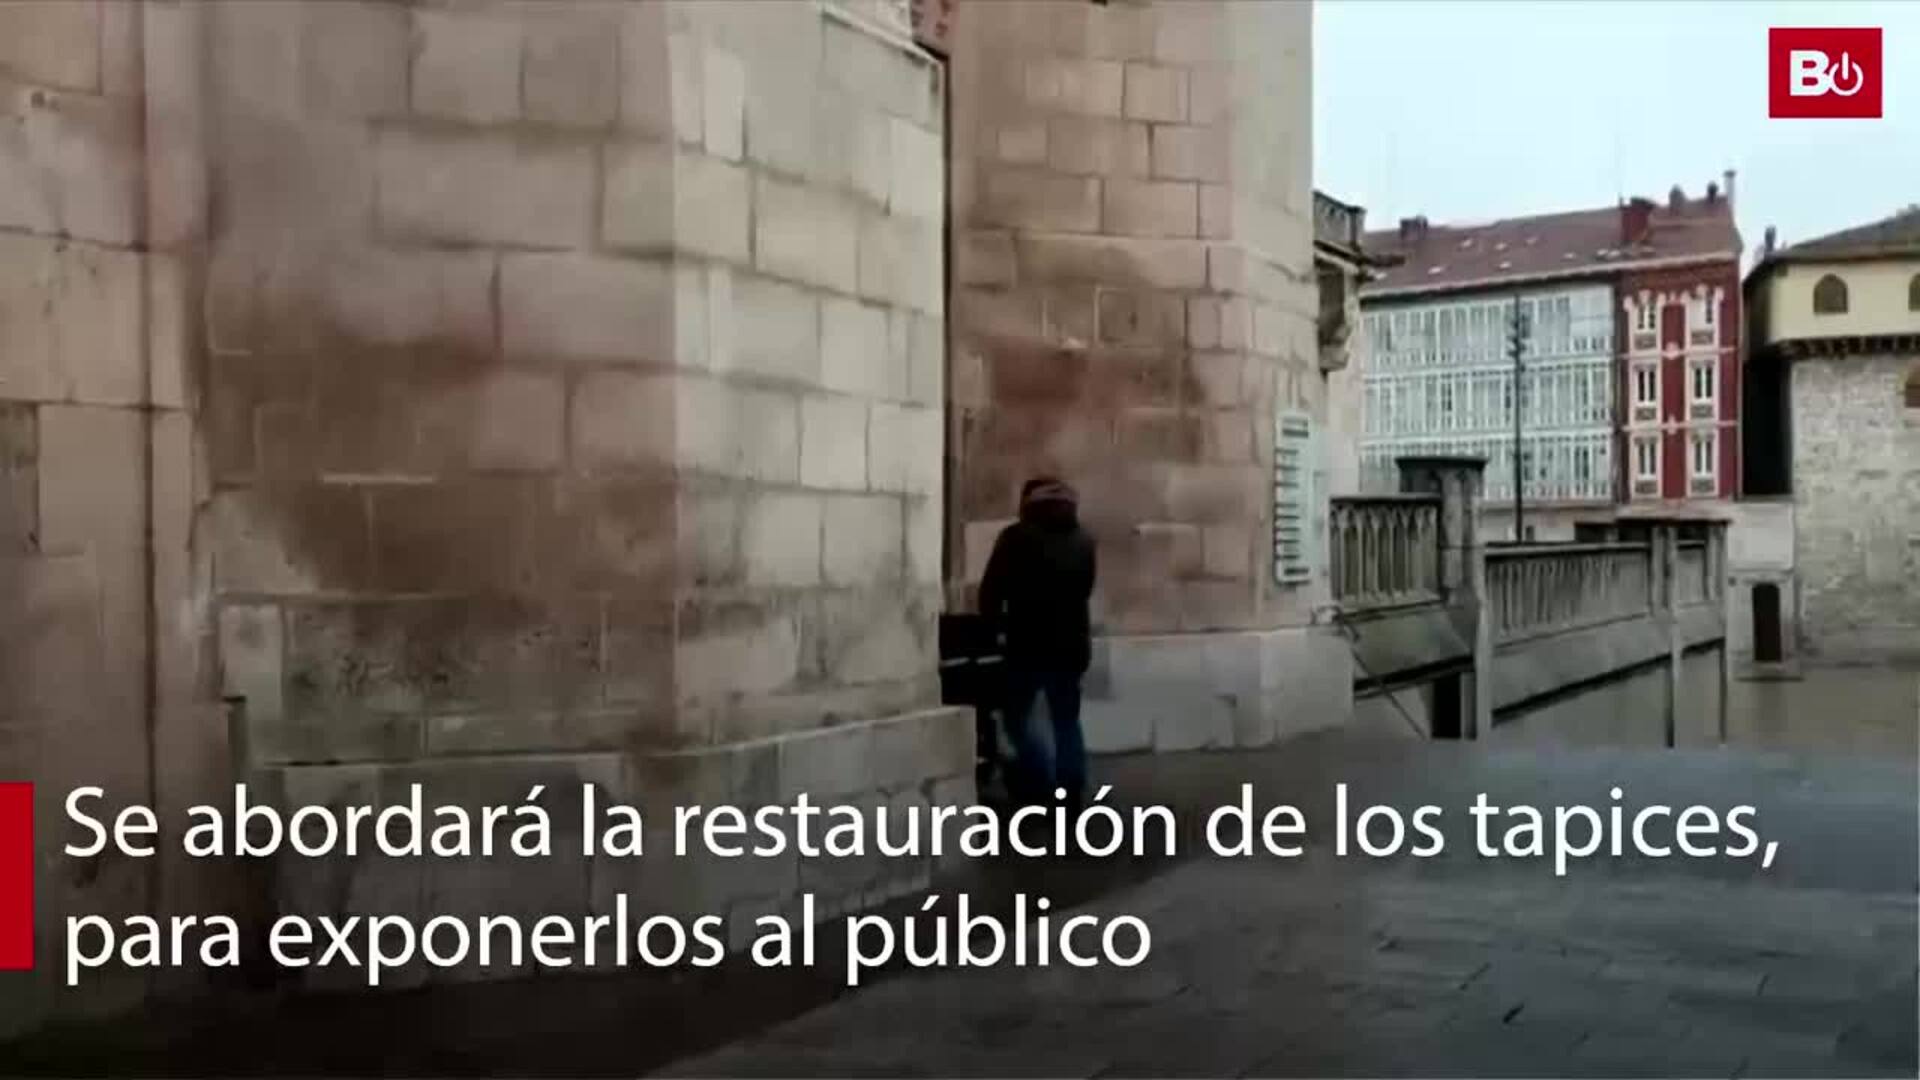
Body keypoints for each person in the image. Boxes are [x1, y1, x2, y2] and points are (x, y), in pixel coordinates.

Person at [977, 475, 1097, 808]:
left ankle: (1040, 780)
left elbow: (991, 591)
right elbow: (1085, 590)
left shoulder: (1015, 538)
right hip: (1072, 644)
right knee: (1066, 720)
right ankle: (1070, 789)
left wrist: (992, 629)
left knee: (1016, 719)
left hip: (1025, 644)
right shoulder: (1085, 539)